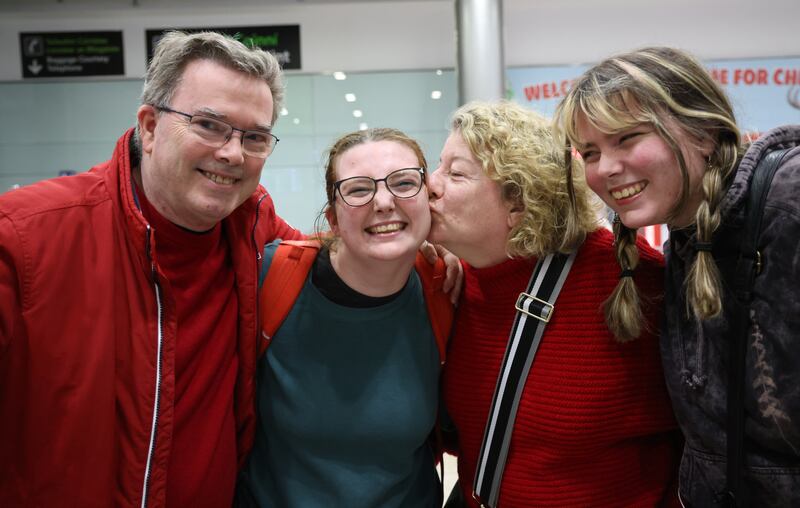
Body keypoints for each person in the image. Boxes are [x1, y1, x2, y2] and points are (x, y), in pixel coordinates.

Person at [0, 31, 304, 507]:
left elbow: (339, 257)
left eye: (255, 137)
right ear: (149, 125)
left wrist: (431, 253)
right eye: (209, 124)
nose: (232, 153)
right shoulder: (23, 237)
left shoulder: (251, 223)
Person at [554, 46, 800, 506]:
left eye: (626, 138)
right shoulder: (686, 236)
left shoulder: (787, 200)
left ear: (703, 132)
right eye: (590, 152)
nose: (605, 168)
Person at [428, 100, 680, 507]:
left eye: (455, 173)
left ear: (519, 204)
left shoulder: (632, 282)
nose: (431, 185)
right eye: (438, 166)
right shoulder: (457, 280)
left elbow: (703, 439)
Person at [237, 128, 446, 508]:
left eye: (403, 183)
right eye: (359, 189)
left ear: (428, 199)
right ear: (333, 218)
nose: (383, 202)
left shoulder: (445, 293)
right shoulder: (270, 277)